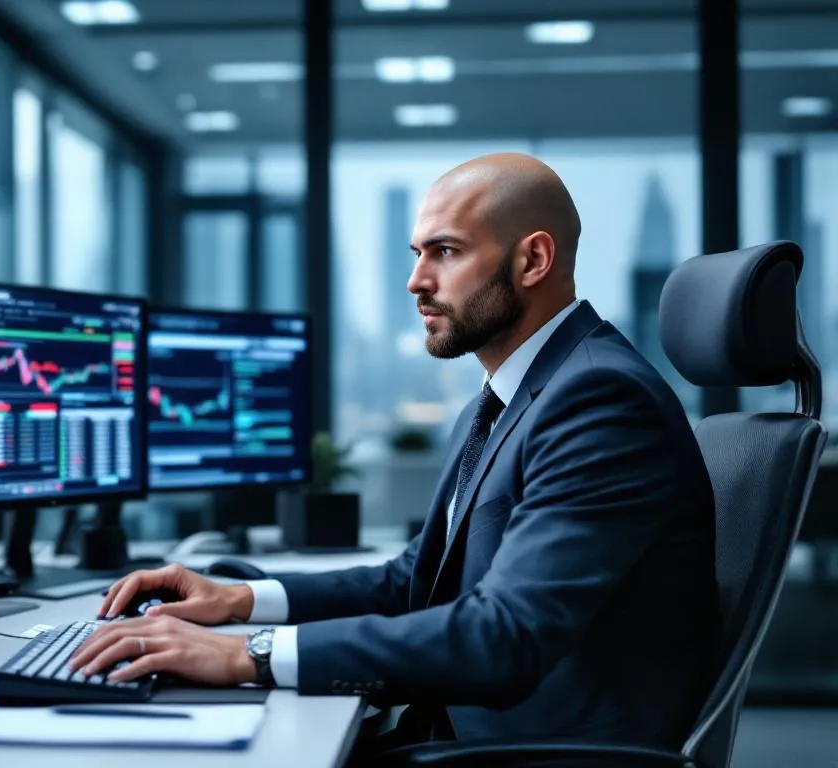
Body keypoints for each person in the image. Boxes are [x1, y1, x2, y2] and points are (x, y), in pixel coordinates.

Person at [70, 152, 720, 754]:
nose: (415, 281)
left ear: (533, 260)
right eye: (416, 253)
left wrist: (251, 654)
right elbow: (417, 581)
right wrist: (239, 599)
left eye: (445, 251)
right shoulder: (507, 398)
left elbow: (507, 636)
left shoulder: (599, 399)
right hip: (463, 731)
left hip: (524, 750)